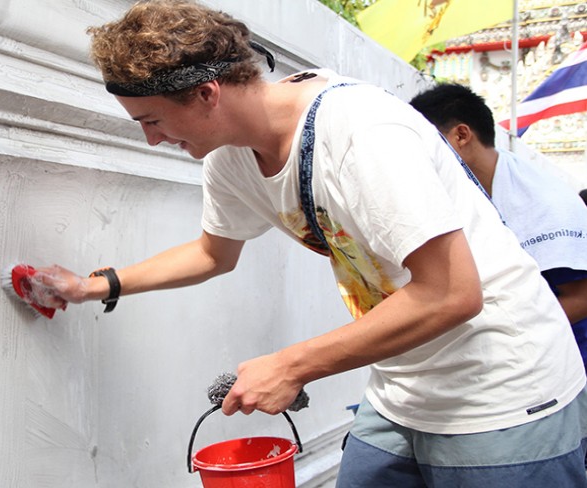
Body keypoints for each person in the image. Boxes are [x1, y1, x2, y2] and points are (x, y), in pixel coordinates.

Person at [29, 1, 587, 485]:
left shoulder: (362, 134)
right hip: (403, 389)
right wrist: (91, 286)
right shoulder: (230, 159)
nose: (152, 139)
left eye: (152, 121)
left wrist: (292, 366)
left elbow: (452, 293)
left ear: (206, 94)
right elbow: (210, 254)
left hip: (504, 387)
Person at [410, 83, 587, 370]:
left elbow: (581, 298)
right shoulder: (465, 192)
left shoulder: (545, 203)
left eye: (425, 143)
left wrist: (502, 342)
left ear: (461, 135)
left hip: (557, 361)